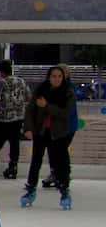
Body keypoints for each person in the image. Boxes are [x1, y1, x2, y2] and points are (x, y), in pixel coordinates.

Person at [21, 65, 74, 210]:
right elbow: (30, 109)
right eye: (53, 76)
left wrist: (47, 106)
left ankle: (64, 190)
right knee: (36, 161)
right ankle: (30, 189)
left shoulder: (67, 92)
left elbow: (65, 113)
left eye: (59, 76)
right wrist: (28, 128)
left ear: (63, 78)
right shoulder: (41, 90)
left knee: (60, 163)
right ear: (49, 77)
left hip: (59, 134)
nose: (56, 79)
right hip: (41, 131)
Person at [0, 60, 29, 180]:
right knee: (14, 144)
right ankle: (13, 168)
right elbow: (28, 96)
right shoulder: (21, 81)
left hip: (4, 119)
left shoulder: (3, 82)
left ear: (1, 72)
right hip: (18, 118)